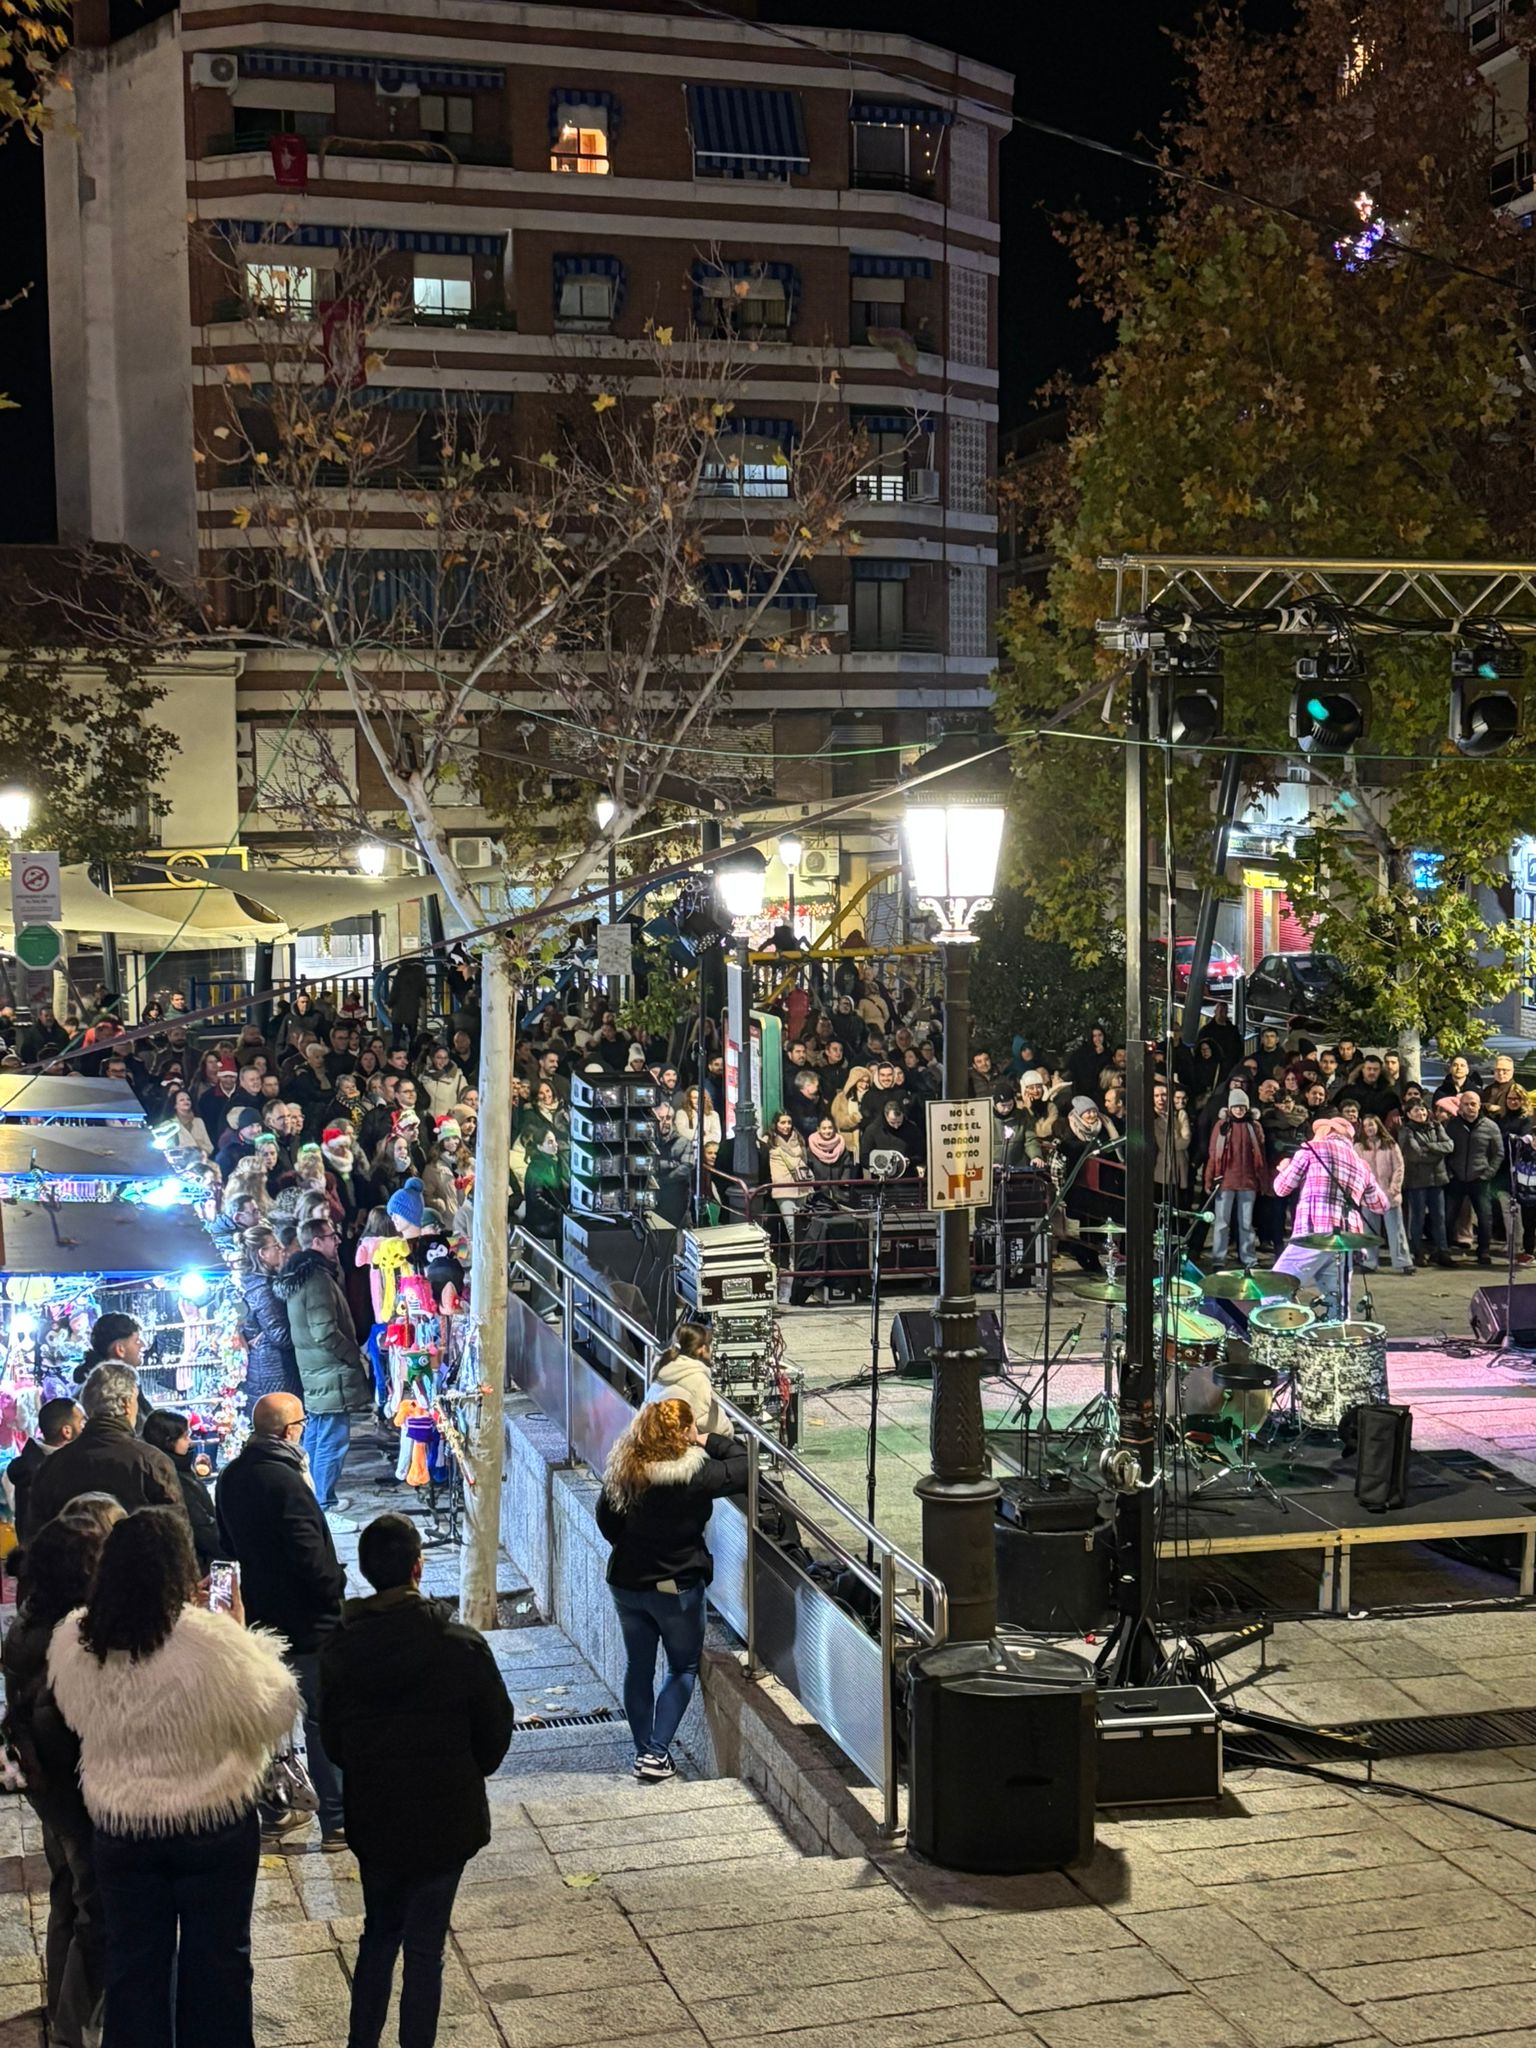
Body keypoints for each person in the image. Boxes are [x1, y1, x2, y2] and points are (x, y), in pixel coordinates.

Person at [48, 1508, 300, 2048]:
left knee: (134, 1967)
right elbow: (275, 1712)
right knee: (220, 1965)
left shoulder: (73, 1641)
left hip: (122, 1828)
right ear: (183, 1568)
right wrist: (239, 1633)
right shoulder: (210, 1643)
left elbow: (74, 1715)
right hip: (212, 1825)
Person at [320, 1514, 513, 2048]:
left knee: (379, 1935)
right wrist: (464, 1773)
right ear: (417, 1567)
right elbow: (495, 1730)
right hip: (446, 1821)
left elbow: (334, 1740)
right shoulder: (460, 1645)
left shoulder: (342, 1649)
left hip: (376, 1817)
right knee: (426, 1949)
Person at [3, 1507, 122, 2048]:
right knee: (96, 1910)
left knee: (68, 1892)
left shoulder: (31, 1618)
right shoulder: (67, 1637)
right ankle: (74, 2029)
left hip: (46, 1783)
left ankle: (61, 2009)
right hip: (69, 1785)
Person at [216, 1392, 349, 1852]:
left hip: (261, 1619)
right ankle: (337, 1820)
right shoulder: (287, 1481)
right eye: (301, 1423)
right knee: (321, 1718)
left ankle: (276, 1812)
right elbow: (310, 1555)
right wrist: (335, 1584)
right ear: (289, 1430)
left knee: (270, 1724)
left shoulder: (231, 1478)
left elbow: (227, 1547)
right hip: (307, 1621)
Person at [596, 1398, 748, 1781]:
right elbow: (747, 1466)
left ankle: (643, 1748)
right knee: (681, 1666)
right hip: (674, 1588)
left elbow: (606, 1520)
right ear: (682, 1434)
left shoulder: (625, 1467)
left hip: (626, 1581)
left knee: (638, 1666)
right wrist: (710, 1440)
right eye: (691, 1427)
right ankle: (655, 1752)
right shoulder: (694, 1475)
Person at [272, 1217, 372, 1523]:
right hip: (331, 1373)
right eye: (331, 1237)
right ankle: (324, 1502)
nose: (337, 1241)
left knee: (316, 1432)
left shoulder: (302, 1276)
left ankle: (312, 1495)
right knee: (332, 1437)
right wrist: (354, 1355)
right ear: (316, 1242)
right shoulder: (315, 1279)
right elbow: (325, 1331)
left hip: (317, 1372)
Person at [28, 1363, 187, 1529]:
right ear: (126, 1403)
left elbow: (36, 1536)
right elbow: (177, 1534)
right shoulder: (151, 1462)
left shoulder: (52, 1466)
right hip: (136, 1554)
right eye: (135, 1400)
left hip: (71, 1554)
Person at [1268, 1116, 1390, 1320]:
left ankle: (1291, 1341)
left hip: (1314, 1234)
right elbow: (1381, 1205)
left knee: (1273, 1290)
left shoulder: (1311, 1150)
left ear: (1329, 1131)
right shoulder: (1361, 1165)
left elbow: (1281, 1188)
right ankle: (1337, 1348)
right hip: (1345, 1242)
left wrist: (1285, 1168)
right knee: (1338, 1308)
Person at [142, 1409, 221, 1570]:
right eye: (185, 1437)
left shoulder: (173, 1469)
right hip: (192, 1564)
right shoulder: (171, 1476)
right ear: (169, 1441)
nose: (190, 1442)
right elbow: (201, 1527)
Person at [237, 1222, 304, 1413]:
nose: (281, 1249)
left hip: (268, 1368)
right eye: (275, 1246)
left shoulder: (256, 1283)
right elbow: (280, 1335)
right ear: (262, 1254)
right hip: (274, 1371)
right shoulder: (263, 1289)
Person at [9, 1396, 84, 1549]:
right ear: (67, 1432)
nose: (86, 1427)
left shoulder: (34, 1462)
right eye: (82, 1421)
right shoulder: (46, 1470)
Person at [1204, 1092, 1268, 1268]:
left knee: (1246, 1224)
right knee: (1222, 1223)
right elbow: (1213, 1153)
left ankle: (1248, 1258)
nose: (1239, 1110)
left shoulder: (1254, 1126)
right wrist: (1209, 1179)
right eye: (1236, 1107)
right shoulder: (1222, 1125)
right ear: (1230, 1108)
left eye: (1242, 1107)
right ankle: (1218, 1258)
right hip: (1225, 1182)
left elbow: (1260, 1155)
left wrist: (1263, 1181)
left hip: (1248, 1182)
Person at [1446, 1089, 1504, 1265]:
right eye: (1466, 1104)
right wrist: (1449, 1172)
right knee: (1448, 1216)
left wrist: (1488, 1174)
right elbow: (1445, 1150)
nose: (1470, 1107)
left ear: (1479, 1106)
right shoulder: (1452, 1125)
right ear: (1460, 1106)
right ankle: (1444, 1250)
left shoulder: (1490, 1126)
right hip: (1456, 1178)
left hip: (1480, 1179)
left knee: (1485, 1217)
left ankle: (1483, 1251)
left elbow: (1499, 1153)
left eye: (1474, 1104)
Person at [1399, 1094, 1456, 1267]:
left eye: (1423, 1110)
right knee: (1417, 1218)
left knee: (1439, 1217)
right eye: (1416, 1110)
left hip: (1437, 1179)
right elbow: (1415, 1155)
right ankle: (1418, 1252)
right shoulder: (1406, 1130)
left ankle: (1442, 1251)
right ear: (1409, 1114)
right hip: (1416, 1181)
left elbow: (1449, 1146)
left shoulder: (1436, 1126)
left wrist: (1430, 1147)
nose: (1421, 1113)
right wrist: (1437, 1154)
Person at [1352, 1114, 1412, 1274]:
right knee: (1369, 1231)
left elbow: (1399, 1167)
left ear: (1378, 1125)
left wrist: (1394, 1188)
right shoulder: (1358, 1148)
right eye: (1365, 1126)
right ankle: (1369, 1262)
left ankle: (1402, 1262)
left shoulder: (1390, 1144)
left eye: (1371, 1125)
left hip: (1389, 1195)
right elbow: (1357, 1171)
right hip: (1369, 1196)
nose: (1369, 1129)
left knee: (1396, 1230)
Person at [646, 1325, 729, 1436]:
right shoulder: (697, 1378)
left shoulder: (662, 1368)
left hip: (654, 1440)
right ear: (702, 1349)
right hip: (680, 1445)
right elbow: (715, 1427)